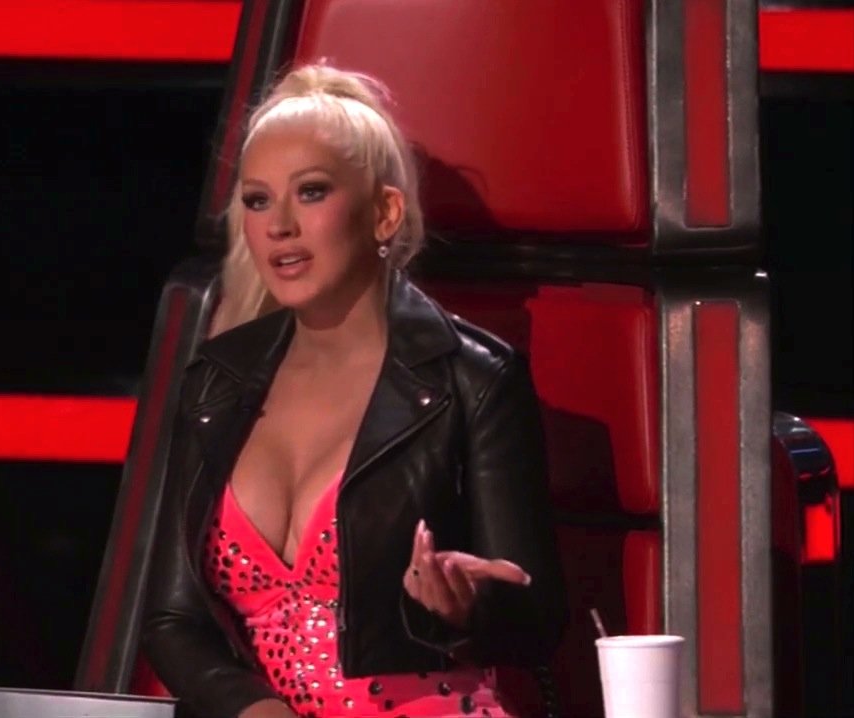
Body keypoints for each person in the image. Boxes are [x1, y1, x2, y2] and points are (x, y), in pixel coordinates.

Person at [141, 64, 567, 718]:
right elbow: (172, 620)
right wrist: (255, 710)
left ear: (384, 212)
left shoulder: (475, 379)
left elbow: (537, 622)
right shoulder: (215, 381)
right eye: (257, 200)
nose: (279, 225)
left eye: (310, 192)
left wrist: (467, 607)